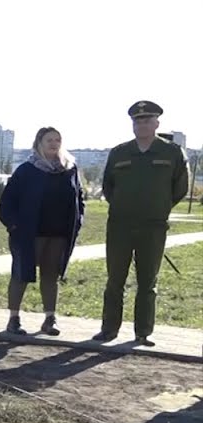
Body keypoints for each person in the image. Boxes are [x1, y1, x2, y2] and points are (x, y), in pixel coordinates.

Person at [93, 100, 190, 347]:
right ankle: (108, 329)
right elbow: (108, 186)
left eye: (147, 120)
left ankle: (143, 332)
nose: (142, 124)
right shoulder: (120, 153)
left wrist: (159, 208)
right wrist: (125, 208)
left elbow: (180, 187)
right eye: (137, 121)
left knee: (148, 281)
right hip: (120, 226)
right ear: (132, 125)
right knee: (115, 279)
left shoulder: (171, 152)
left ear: (157, 123)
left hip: (153, 226)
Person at [0, 127, 85, 336]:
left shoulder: (69, 169)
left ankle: (49, 319)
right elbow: (7, 201)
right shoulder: (27, 170)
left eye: (57, 140)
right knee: (21, 274)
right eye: (49, 140)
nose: (54, 144)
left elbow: (79, 199)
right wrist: (14, 225)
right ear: (39, 143)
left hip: (58, 234)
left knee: (50, 276)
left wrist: (78, 220)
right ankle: (14, 319)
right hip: (29, 234)